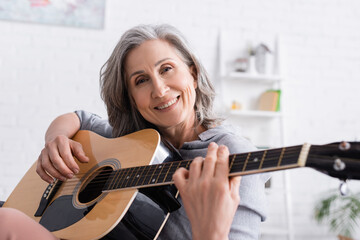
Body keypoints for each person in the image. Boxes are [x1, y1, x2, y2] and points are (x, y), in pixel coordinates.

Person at [1, 24, 268, 239]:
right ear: (130, 98)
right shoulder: (138, 143)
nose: (160, 90)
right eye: (141, 80)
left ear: (193, 74)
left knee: (7, 221)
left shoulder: (232, 154)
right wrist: (54, 141)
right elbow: (78, 119)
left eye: (166, 69)